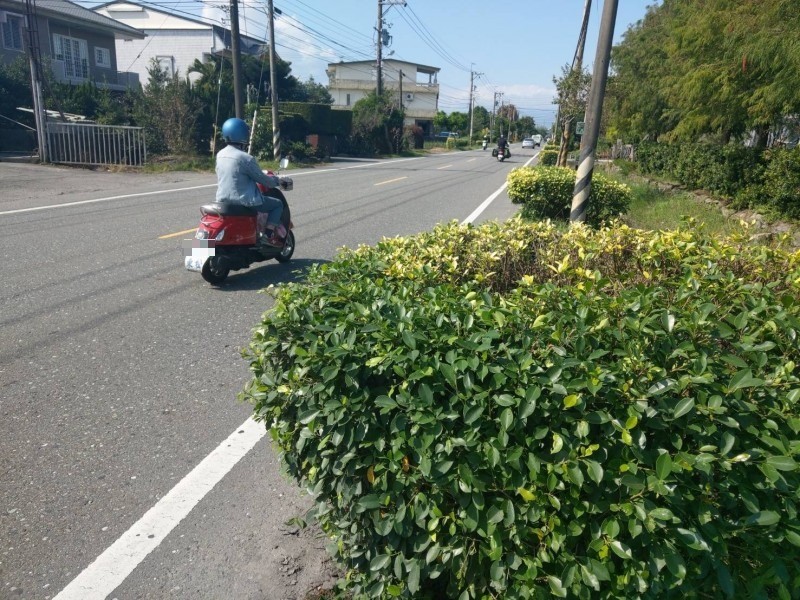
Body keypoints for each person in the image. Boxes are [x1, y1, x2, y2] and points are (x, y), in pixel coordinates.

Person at [215, 117, 285, 247]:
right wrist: (277, 181)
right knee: (277, 204)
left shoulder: (220, 154)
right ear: (243, 135)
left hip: (222, 200)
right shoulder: (245, 158)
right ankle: (267, 236)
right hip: (245, 201)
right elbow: (265, 181)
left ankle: (194, 249)